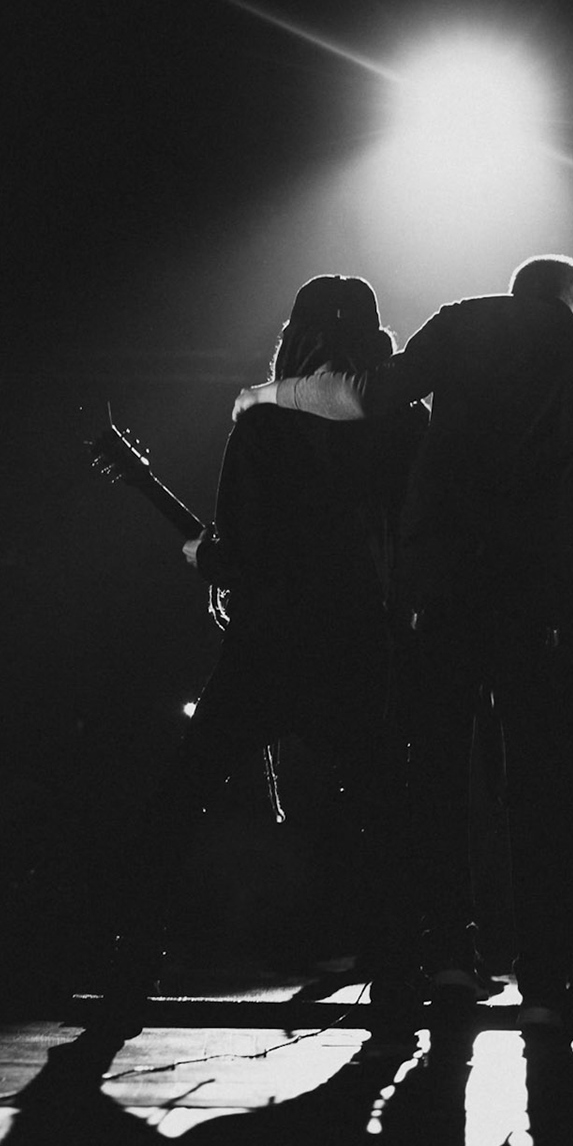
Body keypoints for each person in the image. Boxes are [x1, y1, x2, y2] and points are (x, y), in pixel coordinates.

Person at [231, 254, 573, 1037]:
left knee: (437, 773)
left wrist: (268, 394)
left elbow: (364, 399)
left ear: (517, 291)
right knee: (543, 782)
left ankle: (450, 961)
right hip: (539, 599)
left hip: (441, 592)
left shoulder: (463, 322)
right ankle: (546, 981)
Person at [102, 275, 427, 1028]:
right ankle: (400, 965)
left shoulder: (263, 421)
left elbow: (244, 552)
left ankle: (133, 954)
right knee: (386, 805)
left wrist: (206, 560)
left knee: (183, 795)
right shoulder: (405, 422)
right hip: (361, 636)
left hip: (272, 641)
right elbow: (419, 533)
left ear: (296, 334)